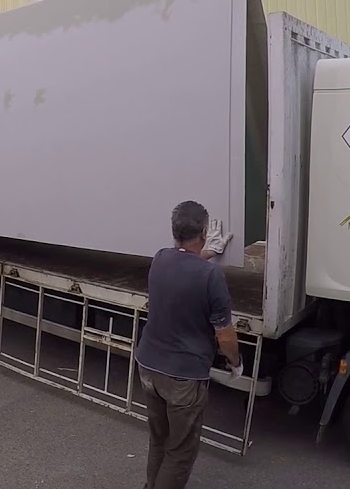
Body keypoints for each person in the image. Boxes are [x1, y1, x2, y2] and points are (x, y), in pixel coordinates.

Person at [133, 200, 241, 489]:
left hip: (148, 366)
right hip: (183, 377)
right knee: (180, 451)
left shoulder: (160, 259)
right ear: (204, 232)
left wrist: (209, 252)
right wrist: (235, 363)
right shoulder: (211, 276)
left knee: (160, 440)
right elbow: (225, 337)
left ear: (174, 231)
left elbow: (185, 264)